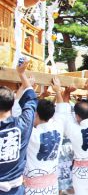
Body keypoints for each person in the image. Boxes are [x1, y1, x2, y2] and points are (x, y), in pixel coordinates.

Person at [14, 77, 68, 194]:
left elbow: (16, 111)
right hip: (52, 186)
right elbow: (62, 110)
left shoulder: (31, 134)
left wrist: (25, 86)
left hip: (34, 189)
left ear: (36, 113)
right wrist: (58, 91)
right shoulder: (58, 127)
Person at [0, 60, 38, 194]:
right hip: (16, 190)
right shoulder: (23, 125)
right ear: (11, 104)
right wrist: (22, 74)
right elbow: (31, 101)